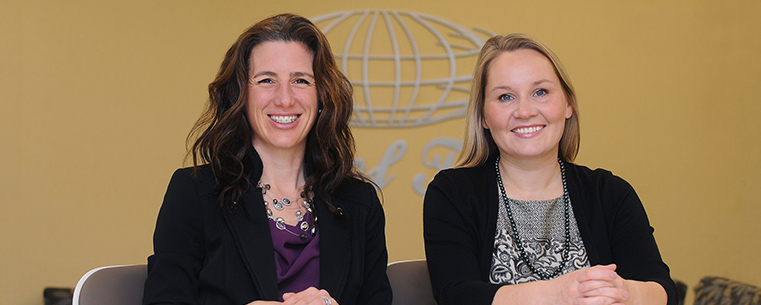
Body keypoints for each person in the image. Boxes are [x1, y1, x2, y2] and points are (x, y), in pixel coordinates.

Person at [143, 14, 392, 305]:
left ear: (322, 95)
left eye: (300, 80)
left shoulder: (359, 202)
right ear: (241, 95)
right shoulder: (194, 193)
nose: (284, 99)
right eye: (266, 80)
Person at [423, 33, 678, 305]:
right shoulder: (452, 193)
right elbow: (456, 295)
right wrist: (556, 294)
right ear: (484, 116)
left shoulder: (610, 193)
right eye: (506, 96)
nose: (525, 111)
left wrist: (624, 292)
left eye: (540, 92)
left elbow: (663, 290)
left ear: (568, 104)